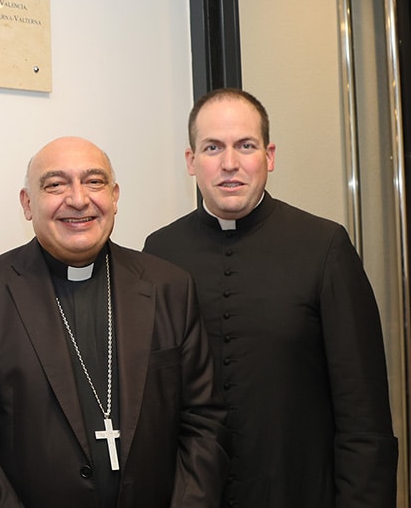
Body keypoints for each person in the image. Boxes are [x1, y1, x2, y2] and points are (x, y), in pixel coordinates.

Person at [143, 88, 397, 507]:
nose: (230, 164)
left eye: (246, 145)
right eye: (212, 148)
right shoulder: (160, 252)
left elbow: (364, 415)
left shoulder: (324, 246)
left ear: (269, 156)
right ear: (191, 161)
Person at [0, 136, 228, 507]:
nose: (79, 199)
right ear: (28, 204)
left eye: (94, 182)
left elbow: (205, 425)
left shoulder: (170, 287)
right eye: (55, 185)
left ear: (114, 196)